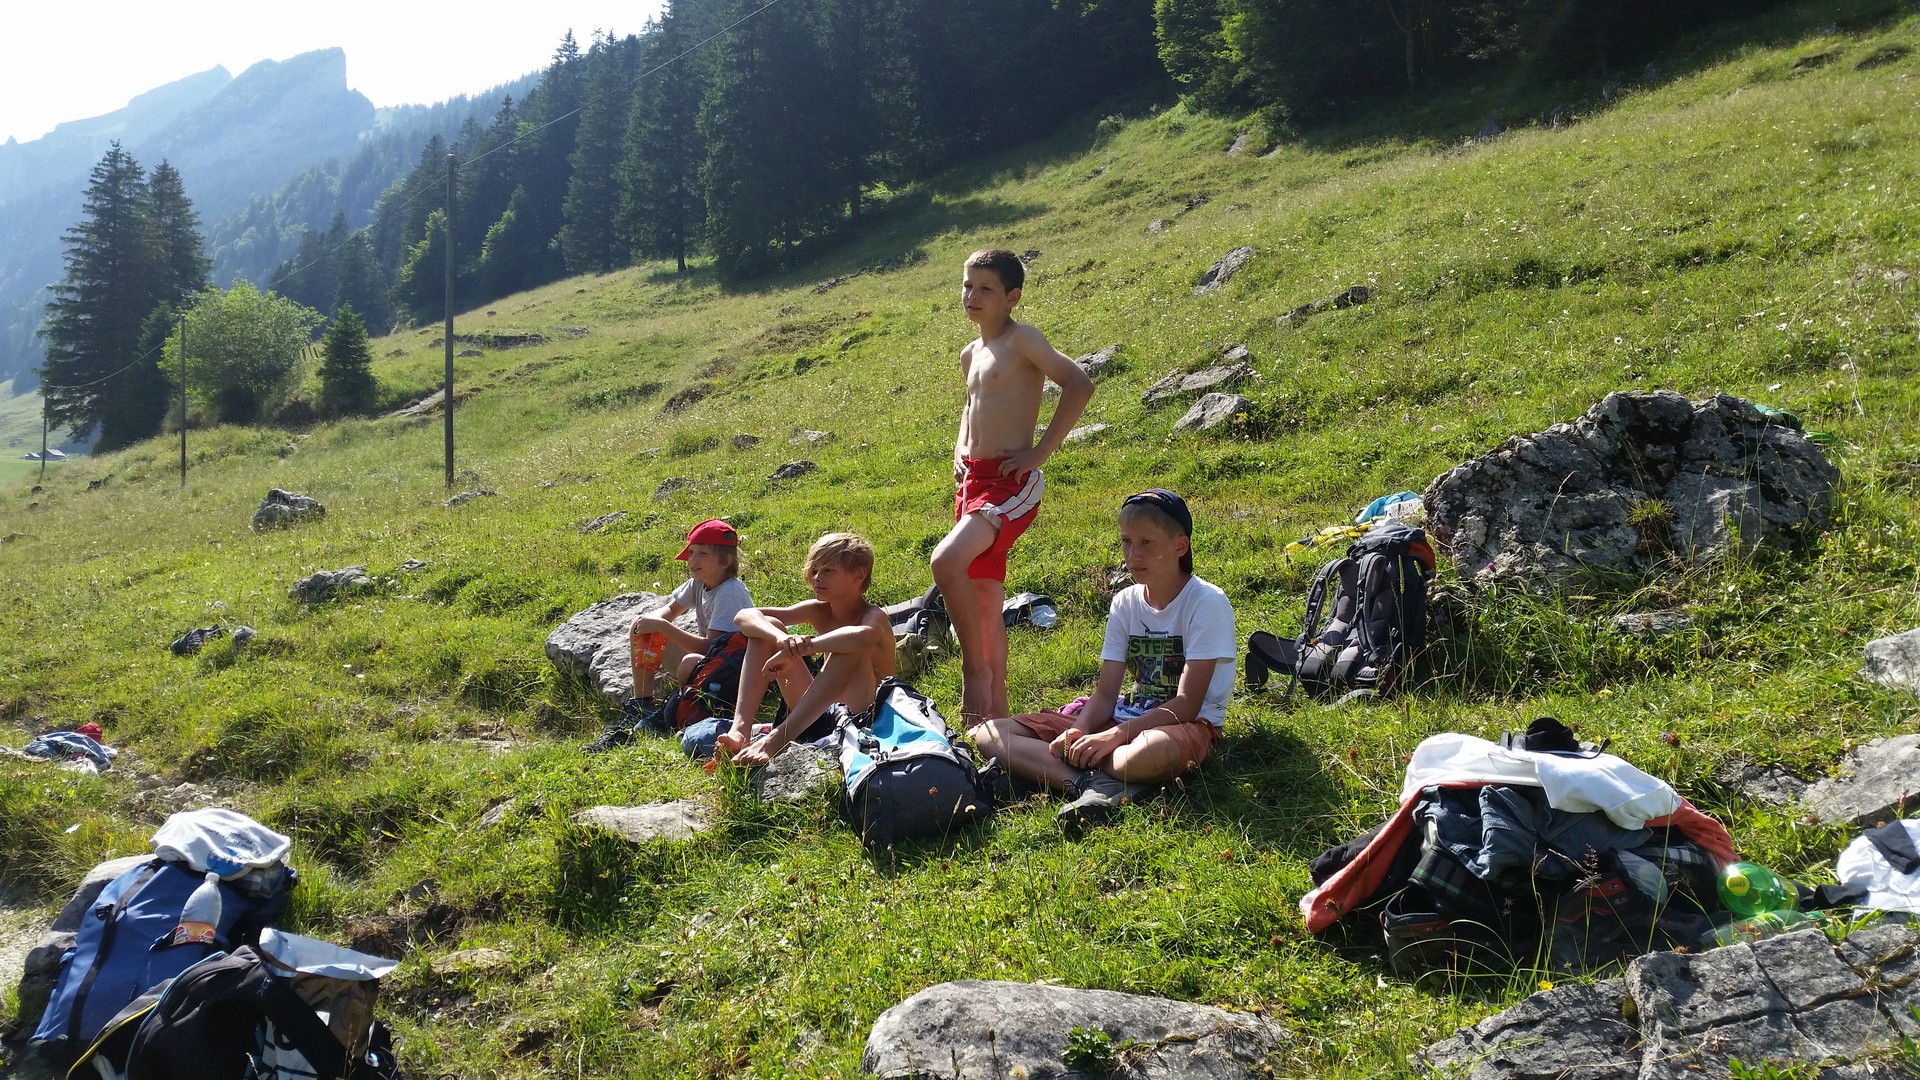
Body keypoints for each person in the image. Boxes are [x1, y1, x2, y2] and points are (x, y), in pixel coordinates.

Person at [970, 490, 1236, 824]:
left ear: (1180, 546)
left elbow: (1187, 703)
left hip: (1183, 726)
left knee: (1148, 754)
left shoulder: (1206, 602)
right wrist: (1080, 731)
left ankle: (1053, 772)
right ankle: (1090, 782)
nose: (1132, 554)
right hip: (1122, 718)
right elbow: (1107, 693)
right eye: (1126, 541)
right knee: (990, 734)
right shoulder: (1125, 602)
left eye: (1146, 542)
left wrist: (1113, 737)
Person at [931, 248, 1094, 728]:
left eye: (986, 288)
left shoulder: (1023, 339)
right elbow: (970, 409)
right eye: (967, 286)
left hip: (1009, 483)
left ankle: (974, 672)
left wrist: (1039, 453)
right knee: (984, 600)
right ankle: (996, 716)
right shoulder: (970, 353)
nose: (972, 296)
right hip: (972, 481)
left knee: (945, 562)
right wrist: (959, 452)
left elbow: (1078, 383)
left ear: (1012, 297)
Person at [717, 532, 895, 768]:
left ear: (858, 575)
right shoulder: (819, 610)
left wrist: (804, 648)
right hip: (815, 715)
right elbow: (743, 616)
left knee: (850, 645)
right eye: (815, 570)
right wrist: (783, 640)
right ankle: (740, 730)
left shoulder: (873, 616)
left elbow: (864, 636)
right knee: (767, 626)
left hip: (862, 721)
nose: (817, 577)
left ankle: (776, 739)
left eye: (828, 571)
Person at [582, 518, 751, 752]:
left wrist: (664, 627)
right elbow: (669, 610)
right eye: (690, 553)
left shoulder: (730, 592)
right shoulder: (698, 583)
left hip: (732, 671)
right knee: (641, 625)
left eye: (702, 554)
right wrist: (653, 623)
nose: (692, 560)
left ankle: (687, 705)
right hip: (711, 664)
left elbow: (709, 649)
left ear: (725, 561)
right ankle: (642, 704)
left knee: (689, 661)